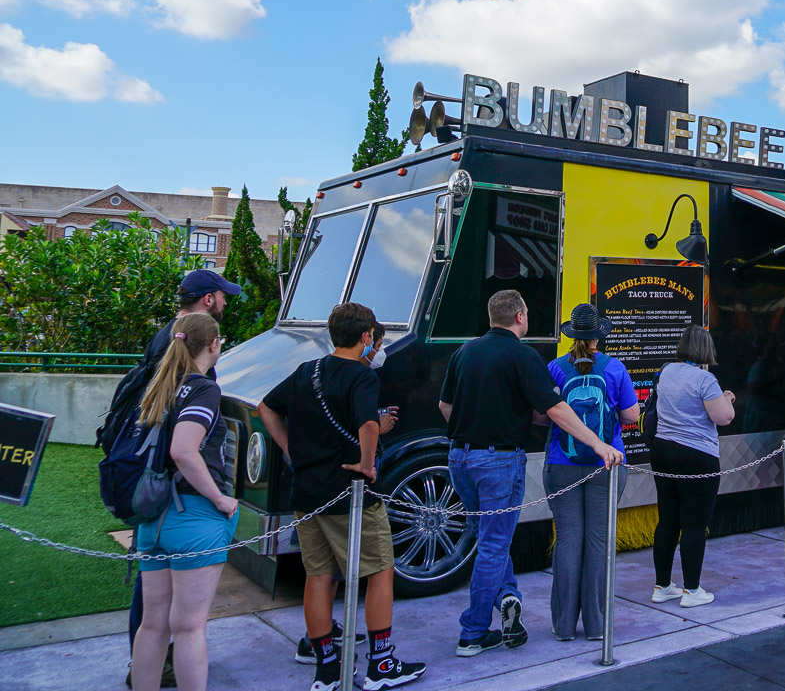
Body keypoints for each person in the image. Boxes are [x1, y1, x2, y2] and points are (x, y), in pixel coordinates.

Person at [439, 290, 622, 657]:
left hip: (459, 458)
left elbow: (445, 404)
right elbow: (556, 410)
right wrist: (599, 445)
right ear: (520, 317)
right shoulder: (523, 356)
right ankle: (473, 632)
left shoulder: (465, 351)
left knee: (490, 538)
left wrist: (472, 434)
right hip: (499, 462)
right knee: (493, 544)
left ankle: (507, 596)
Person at [259, 304, 424, 691]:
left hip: (307, 490)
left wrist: (290, 450)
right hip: (349, 493)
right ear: (367, 336)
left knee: (319, 575)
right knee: (380, 570)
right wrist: (367, 463)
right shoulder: (362, 377)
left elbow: (267, 407)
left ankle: (327, 666)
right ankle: (381, 664)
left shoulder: (306, 371)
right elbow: (366, 422)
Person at [113, 269, 242, 689]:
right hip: (193, 516)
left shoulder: (161, 385)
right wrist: (221, 501)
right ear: (213, 344)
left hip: (154, 518)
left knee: (153, 625)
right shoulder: (203, 389)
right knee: (188, 629)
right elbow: (183, 450)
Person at [545, 304, 639, 640]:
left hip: (561, 464)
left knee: (568, 540)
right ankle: (597, 625)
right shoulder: (614, 368)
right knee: (598, 542)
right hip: (607, 464)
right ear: (600, 334)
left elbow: (543, 416)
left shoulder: (554, 368)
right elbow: (630, 415)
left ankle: (565, 626)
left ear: (572, 335)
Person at [648, 326, 735, 607]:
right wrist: (728, 399)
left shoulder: (666, 372)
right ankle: (692, 590)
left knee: (668, 520)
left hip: (662, 451)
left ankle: (662, 586)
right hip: (697, 456)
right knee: (694, 525)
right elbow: (723, 417)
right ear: (706, 349)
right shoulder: (705, 379)